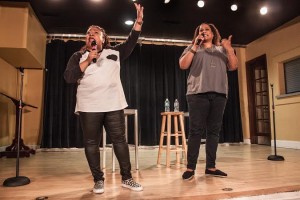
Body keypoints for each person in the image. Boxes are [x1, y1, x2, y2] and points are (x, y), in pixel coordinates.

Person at [64, 3, 144, 194]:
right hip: (88, 106)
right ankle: (98, 180)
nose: (91, 34)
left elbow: (132, 41)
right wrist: (88, 59)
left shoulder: (115, 52)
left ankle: (127, 178)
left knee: (120, 141)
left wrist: (138, 22)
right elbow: (69, 77)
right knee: (91, 143)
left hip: (113, 104)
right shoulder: (78, 55)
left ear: (103, 38)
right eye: (88, 33)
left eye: (95, 32)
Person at [179, 23, 238, 180]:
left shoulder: (222, 50)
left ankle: (210, 167)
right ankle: (190, 168)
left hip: (219, 94)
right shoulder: (193, 48)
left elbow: (233, 66)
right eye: (200, 30)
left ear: (213, 33)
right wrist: (194, 45)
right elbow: (183, 65)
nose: (203, 31)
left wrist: (229, 49)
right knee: (195, 131)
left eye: (206, 30)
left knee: (213, 131)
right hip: (197, 94)